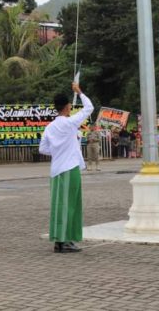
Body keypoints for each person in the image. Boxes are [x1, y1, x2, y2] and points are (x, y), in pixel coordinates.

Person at [39, 83, 93, 254]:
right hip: (70, 168)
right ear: (67, 106)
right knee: (71, 205)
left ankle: (58, 240)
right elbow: (89, 108)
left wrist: (57, 151)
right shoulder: (70, 123)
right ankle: (66, 241)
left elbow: (42, 149)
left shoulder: (50, 127)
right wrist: (80, 92)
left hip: (56, 170)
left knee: (59, 205)